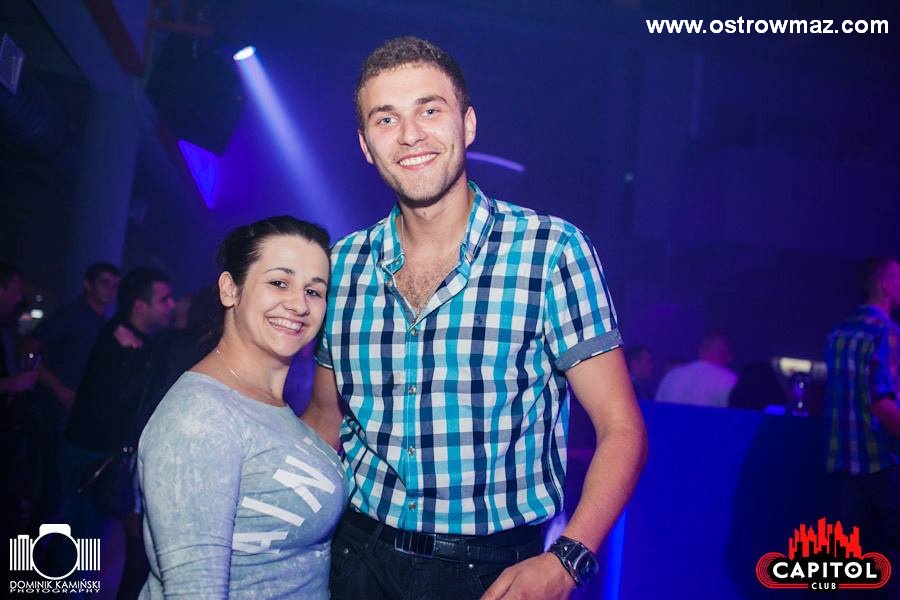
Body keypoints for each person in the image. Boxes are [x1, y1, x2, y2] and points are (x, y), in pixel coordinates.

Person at [303, 36, 647, 600]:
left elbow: (621, 428)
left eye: (429, 110)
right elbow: (323, 422)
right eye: (386, 119)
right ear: (366, 145)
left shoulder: (550, 251)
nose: (410, 135)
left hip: (493, 574)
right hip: (355, 561)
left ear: (467, 125)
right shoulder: (341, 265)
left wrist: (566, 562)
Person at [138, 217, 345, 599]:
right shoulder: (199, 419)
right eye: (279, 282)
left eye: (314, 291)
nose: (299, 304)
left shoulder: (267, 405)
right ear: (230, 289)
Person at [824, 256, 899, 600]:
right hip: (886, 459)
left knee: (851, 566)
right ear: (885, 284)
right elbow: (881, 401)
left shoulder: (837, 333)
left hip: (847, 464)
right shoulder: (887, 331)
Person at [655, 331, 737, 408]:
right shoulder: (729, 379)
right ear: (728, 355)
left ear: (700, 349)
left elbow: (657, 410)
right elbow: (735, 415)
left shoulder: (672, 376)